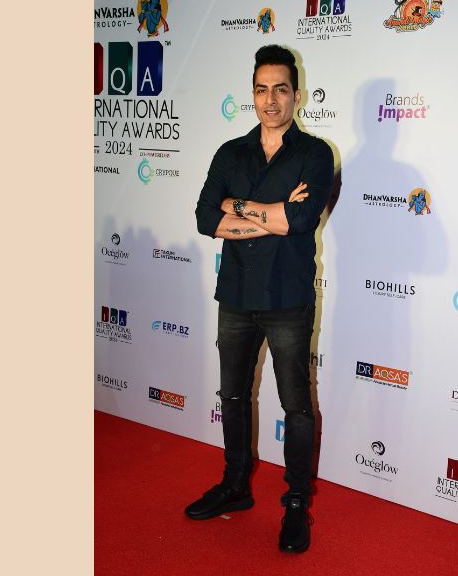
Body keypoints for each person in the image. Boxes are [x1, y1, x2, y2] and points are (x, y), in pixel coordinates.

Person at [189, 44, 334, 554]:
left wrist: (238, 206)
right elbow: (206, 218)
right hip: (235, 294)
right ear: (251, 94)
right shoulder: (230, 152)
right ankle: (235, 484)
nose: (270, 100)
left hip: (288, 297)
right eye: (261, 89)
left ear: (298, 95)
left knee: (296, 406)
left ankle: (295, 503)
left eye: (280, 89)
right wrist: (270, 214)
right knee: (232, 396)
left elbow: (299, 220)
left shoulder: (315, 154)